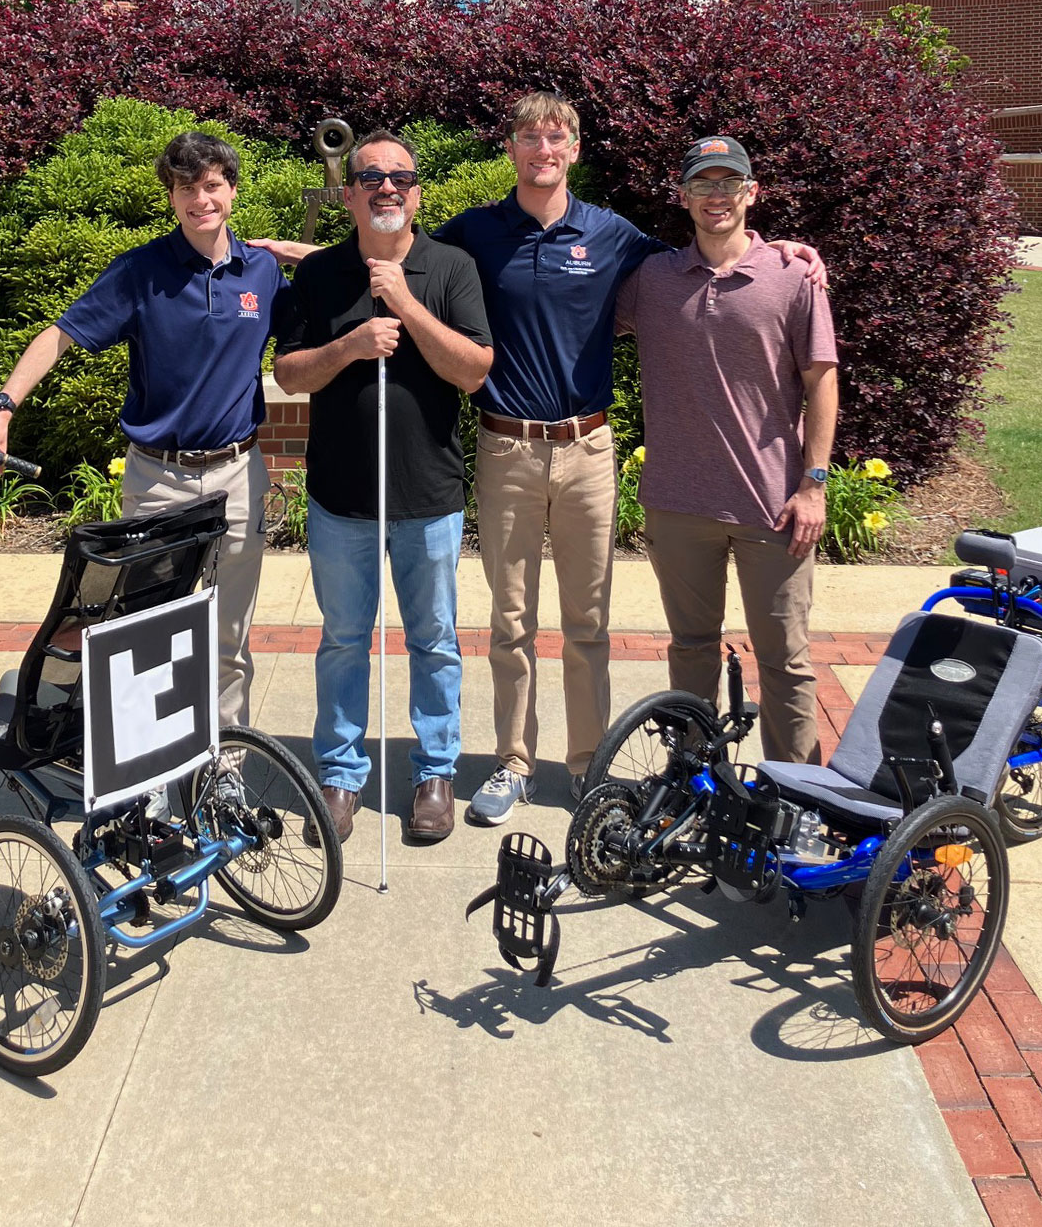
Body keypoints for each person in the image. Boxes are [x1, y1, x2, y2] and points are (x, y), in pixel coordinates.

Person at [256, 92, 825, 825]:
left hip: (587, 446)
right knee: (510, 622)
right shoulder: (476, 233)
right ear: (513, 150)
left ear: (573, 150)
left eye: (556, 138)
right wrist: (311, 258)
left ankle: (587, 764)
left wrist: (780, 252)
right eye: (529, 137)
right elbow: (396, 249)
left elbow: (703, 258)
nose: (543, 149)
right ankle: (513, 761)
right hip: (506, 445)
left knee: (588, 623)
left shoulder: (611, 234)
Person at [0, 128, 291, 729]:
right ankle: (151, 762)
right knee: (150, 635)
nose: (201, 200)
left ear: (232, 191)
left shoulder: (261, 271)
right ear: (171, 197)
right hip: (159, 480)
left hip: (240, 477)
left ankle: (226, 761)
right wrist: (2, 407)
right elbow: (59, 335)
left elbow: (346, 283)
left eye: (212, 186)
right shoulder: (140, 271)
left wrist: (296, 251)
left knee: (228, 639)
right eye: (186, 189)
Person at [273, 129, 492, 844]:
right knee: (343, 641)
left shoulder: (451, 266)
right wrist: (349, 345)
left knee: (434, 641)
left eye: (400, 176)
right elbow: (289, 374)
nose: (386, 187)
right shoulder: (320, 274)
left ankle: (435, 773)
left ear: (417, 193)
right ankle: (340, 776)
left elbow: (472, 371)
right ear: (349, 195)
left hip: (428, 497)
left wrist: (405, 303)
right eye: (371, 177)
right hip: (341, 499)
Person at [615, 136, 838, 765]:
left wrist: (814, 484)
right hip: (678, 504)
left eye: (729, 182)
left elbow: (822, 380)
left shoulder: (793, 276)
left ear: (751, 192)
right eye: (702, 184)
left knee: (785, 661)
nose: (717, 195)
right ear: (683, 196)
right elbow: (569, 310)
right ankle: (694, 778)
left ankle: (794, 793)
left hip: (774, 505)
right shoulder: (652, 280)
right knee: (690, 648)